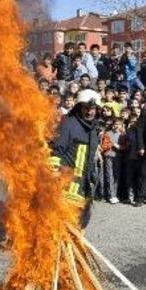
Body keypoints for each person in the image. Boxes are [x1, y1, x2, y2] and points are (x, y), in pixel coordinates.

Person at [50, 89, 102, 223]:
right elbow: (56, 150)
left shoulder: (93, 128)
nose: (89, 112)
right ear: (79, 107)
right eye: (86, 108)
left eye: (92, 109)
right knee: (64, 220)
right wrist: (56, 176)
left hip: (84, 184)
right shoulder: (68, 123)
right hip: (67, 183)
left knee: (82, 220)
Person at [101, 117, 124, 204]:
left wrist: (119, 147)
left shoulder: (122, 134)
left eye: (118, 124)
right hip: (109, 156)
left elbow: (125, 146)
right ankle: (111, 195)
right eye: (115, 124)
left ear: (121, 125)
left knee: (116, 176)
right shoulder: (107, 133)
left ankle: (114, 194)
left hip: (118, 157)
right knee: (109, 175)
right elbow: (104, 146)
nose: (116, 126)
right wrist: (112, 144)